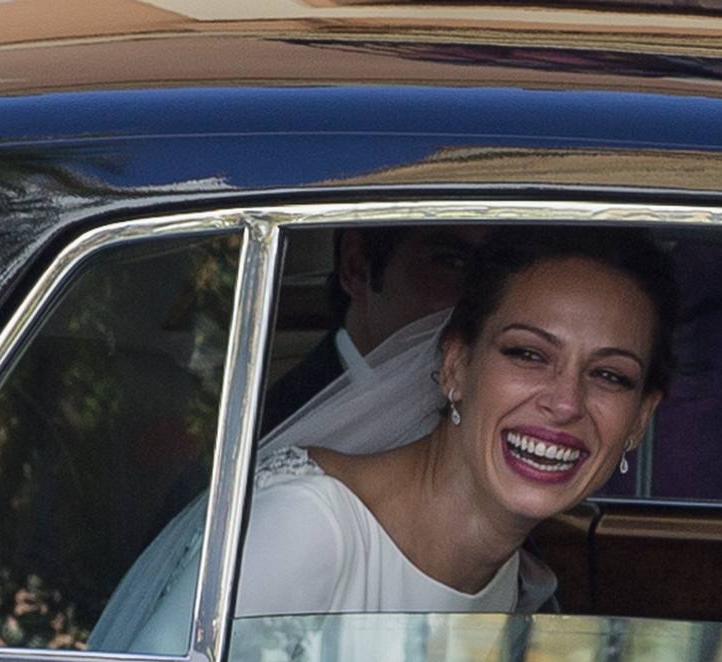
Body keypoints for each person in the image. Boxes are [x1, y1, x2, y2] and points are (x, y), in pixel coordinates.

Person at [233, 228, 678, 619]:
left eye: (609, 376)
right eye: (527, 354)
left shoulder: (512, 577)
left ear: (640, 418)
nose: (566, 404)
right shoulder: (304, 529)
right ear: (455, 365)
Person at [260, 225, 493, 431]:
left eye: (496, 270)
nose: (484, 299)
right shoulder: (270, 433)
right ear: (357, 267)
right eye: (451, 262)